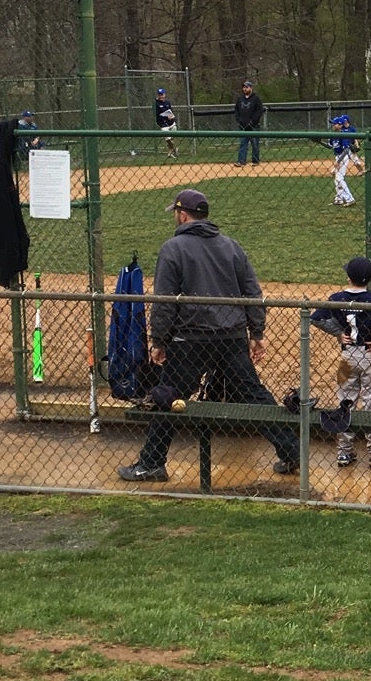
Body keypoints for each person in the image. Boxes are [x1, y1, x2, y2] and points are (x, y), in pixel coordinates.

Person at [118, 189, 299, 482]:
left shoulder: (173, 248)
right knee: (254, 395)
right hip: (231, 337)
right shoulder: (231, 246)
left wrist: (159, 341)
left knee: (169, 397)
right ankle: (292, 451)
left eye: (175, 213)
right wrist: (257, 332)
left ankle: (151, 463)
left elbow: (165, 299)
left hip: (191, 341)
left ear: (183, 214)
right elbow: (252, 291)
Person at [309, 256, 371, 469]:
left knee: (345, 403)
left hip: (347, 356)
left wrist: (339, 334)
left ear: (349, 277)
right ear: (369, 279)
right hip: (369, 356)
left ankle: (344, 453)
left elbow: (315, 318)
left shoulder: (337, 297)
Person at [328, 114, 360, 206]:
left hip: (343, 157)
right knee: (336, 179)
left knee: (339, 178)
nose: (333, 125)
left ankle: (350, 198)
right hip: (337, 157)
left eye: (335, 124)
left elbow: (346, 150)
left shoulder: (343, 135)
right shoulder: (332, 135)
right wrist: (319, 142)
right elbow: (329, 146)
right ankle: (340, 199)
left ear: (340, 125)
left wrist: (338, 162)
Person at [233, 80, 265, 166]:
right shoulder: (240, 99)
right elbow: (236, 110)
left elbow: (259, 111)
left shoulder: (256, 99)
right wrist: (239, 120)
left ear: (251, 88)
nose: (245, 89)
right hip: (243, 126)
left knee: (255, 144)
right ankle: (241, 161)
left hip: (253, 126)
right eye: (244, 87)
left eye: (247, 87)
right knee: (243, 143)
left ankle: (255, 161)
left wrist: (253, 121)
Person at [154, 88, 180, 158]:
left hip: (171, 122)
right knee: (168, 139)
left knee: (172, 138)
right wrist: (165, 117)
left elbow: (170, 111)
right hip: (163, 124)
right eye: (159, 95)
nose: (161, 96)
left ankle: (170, 153)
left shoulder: (167, 102)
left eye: (162, 94)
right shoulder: (156, 103)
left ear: (164, 94)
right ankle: (174, 149)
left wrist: (171, 116)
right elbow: (157, 115)